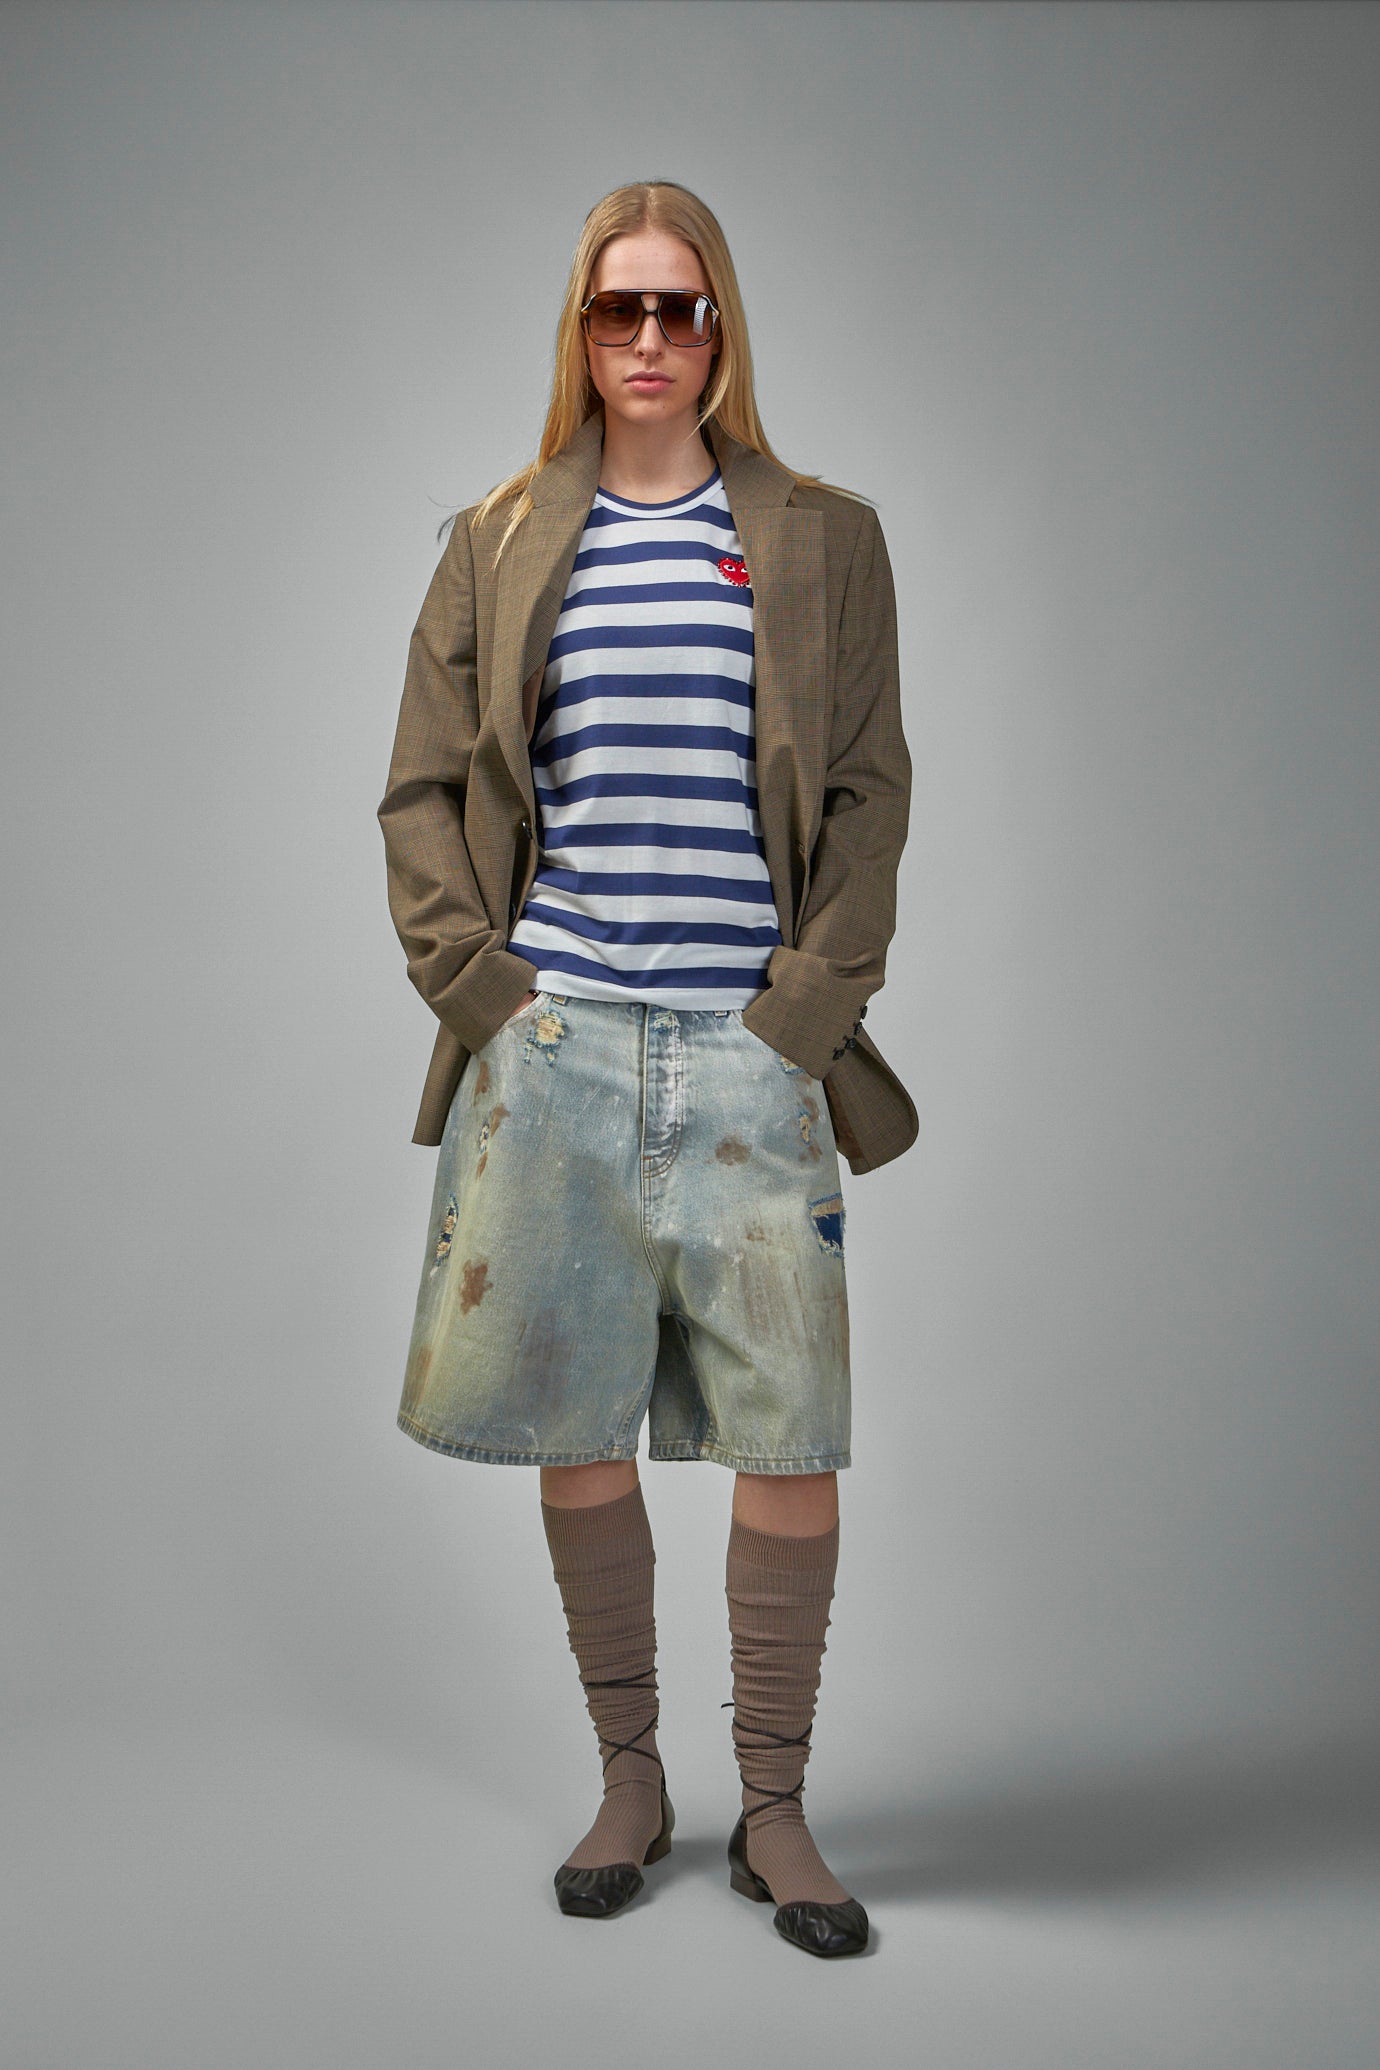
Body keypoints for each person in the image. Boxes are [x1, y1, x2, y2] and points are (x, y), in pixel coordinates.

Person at [378, 179, 916, 1959]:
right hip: (559, 1055)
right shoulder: (497, 538)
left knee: (790, 1435)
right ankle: (631, 1777)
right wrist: (487, 994)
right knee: (577, 1428)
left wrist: (802, 1017)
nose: (652, 340)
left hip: (755, 1061)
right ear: (582, 331)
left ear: (722, 328)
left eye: (683, 308)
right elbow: (421, 792)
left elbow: (868, 796)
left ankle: (777, 1809)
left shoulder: (825, 540)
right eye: (622, 308)